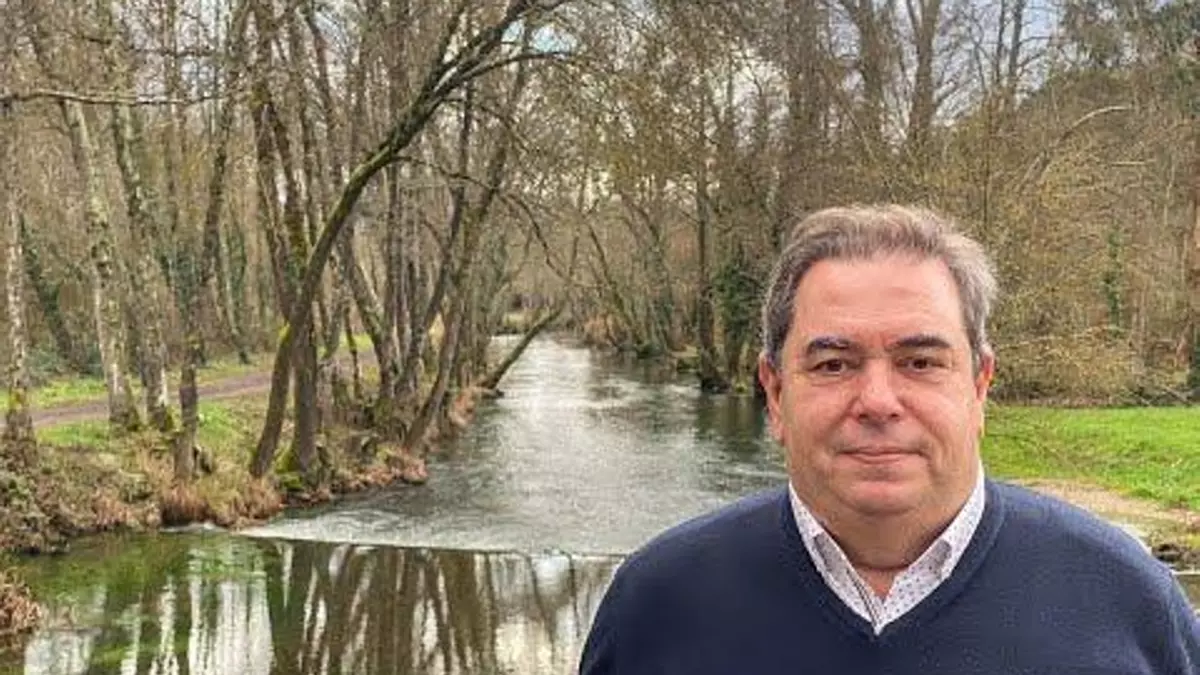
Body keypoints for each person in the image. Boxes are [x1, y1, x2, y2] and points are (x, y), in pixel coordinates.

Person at [578, 205, 1200, 674]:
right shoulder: (658, 605)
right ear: (775, 393)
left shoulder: (1127, 601)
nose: (877, 401)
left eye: (920, 362)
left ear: (979, 385)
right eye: (833, 364)